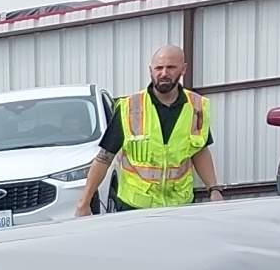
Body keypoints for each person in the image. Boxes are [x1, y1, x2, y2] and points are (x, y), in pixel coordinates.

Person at [75, 46, 226, 215]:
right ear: (150, 71)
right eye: (159, 68)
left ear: (183, 69)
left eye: (171, 67)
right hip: (134, 209)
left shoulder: (196, 107)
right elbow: (104, 158)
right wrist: (84, 203)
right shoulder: (130, 108)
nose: (164, 73)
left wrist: (213, 189)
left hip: (180, 207)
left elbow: (200, 151)